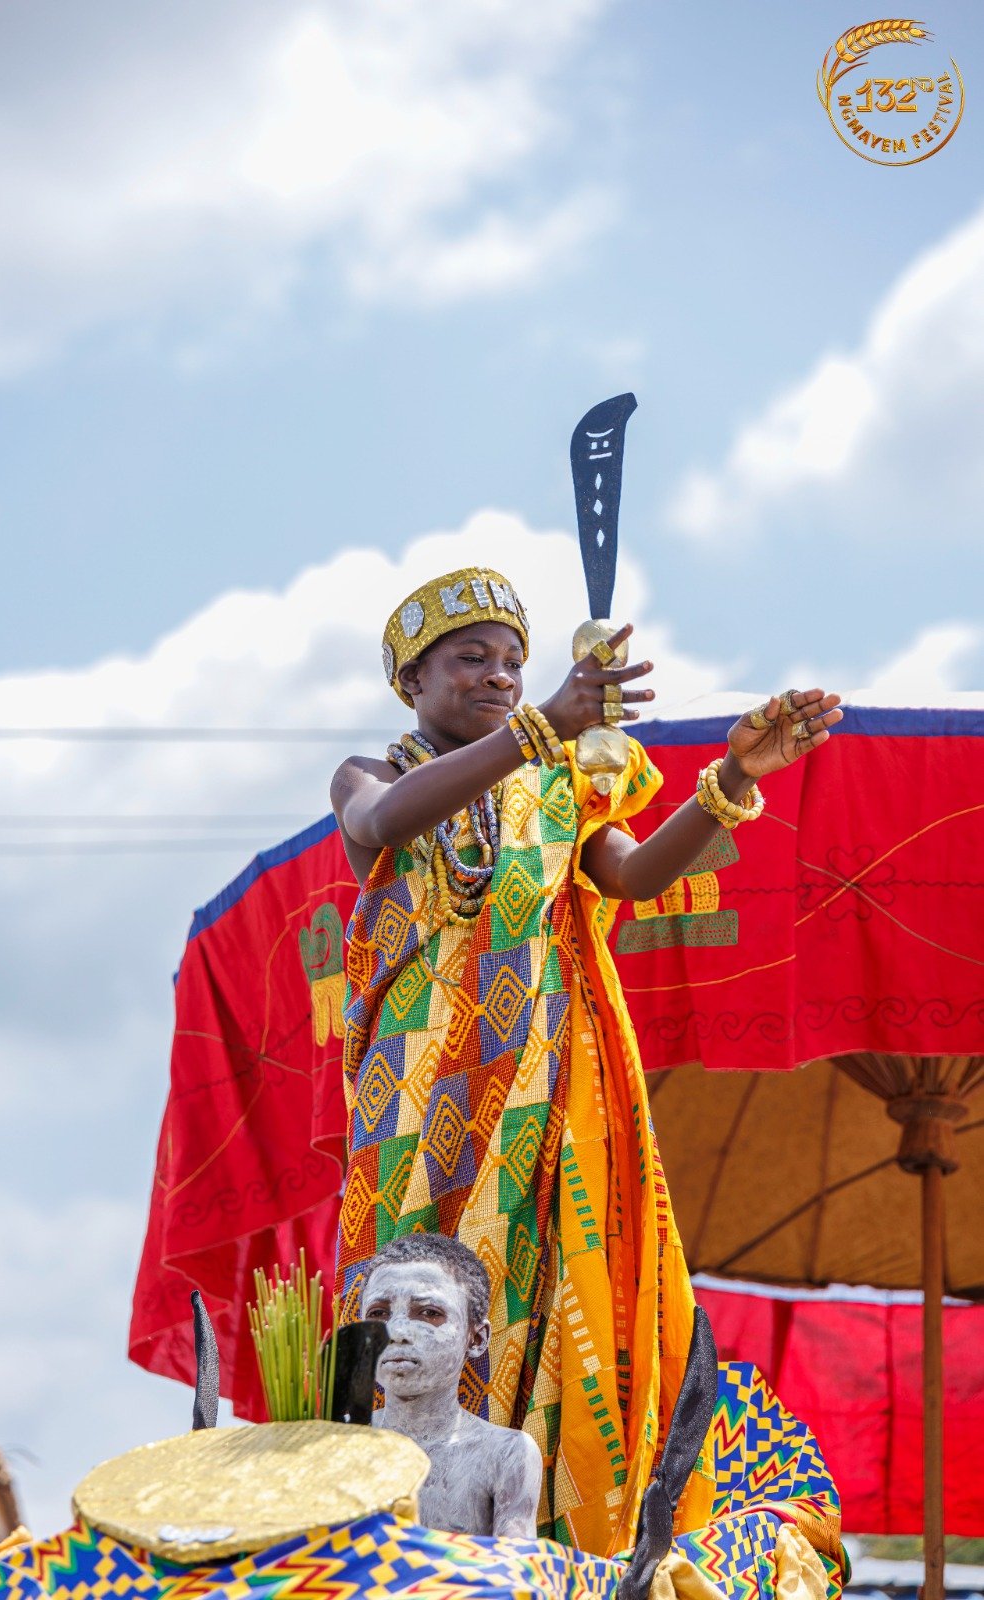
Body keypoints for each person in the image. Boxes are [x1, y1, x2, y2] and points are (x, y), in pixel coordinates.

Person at [330, 566, 841, 1557]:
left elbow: (637, 873)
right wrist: (542, 725)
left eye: (513, 661)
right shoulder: (372, 771)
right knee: (409, 1300)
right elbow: (380, 828)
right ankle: (380, 1532)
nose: (497, 673)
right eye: (469, 657)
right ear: (411, 683)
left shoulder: (557, 784)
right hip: (414, 1099)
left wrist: (734, 777)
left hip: (540, 1086)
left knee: (534, 1286)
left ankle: (536, 1530)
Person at [361, 1232, 543, 1539]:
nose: (397, 1330)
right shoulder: (337, 1443)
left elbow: (515, 1574)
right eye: (378, 1313)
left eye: (429, 1313)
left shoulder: (506, 1453)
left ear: (476, 1338)